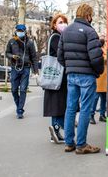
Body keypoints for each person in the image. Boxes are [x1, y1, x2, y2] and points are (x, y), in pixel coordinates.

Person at [57, 4, 104, 154]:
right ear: (88, 16)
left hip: (71, 75)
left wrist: (70, 67)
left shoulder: (66, 31)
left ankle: (69, 142)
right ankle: (81, 144)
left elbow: (60, 56)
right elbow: (96, 58)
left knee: (70, 108)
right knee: (85, 109)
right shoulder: (90, 32)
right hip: (87, 76)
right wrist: (98, 72)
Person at [43, 14, 69, 144]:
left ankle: (56, 130)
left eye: (65, 22)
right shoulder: (56, 37)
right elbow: (62, 54)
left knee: (57, 104)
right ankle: (57, 128)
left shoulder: (58, 36)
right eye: (60, 22)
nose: (63, 24)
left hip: (57, 76)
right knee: (57, 103)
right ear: (54, 25)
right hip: (58, 76)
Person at [5, 24, 38, 119]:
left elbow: (34, 58)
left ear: (25, 31)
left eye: (22, 31)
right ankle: (19, 105)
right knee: (14, 90)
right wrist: (12, 56)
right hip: (15, 68)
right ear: (16, 31)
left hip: (26, 68)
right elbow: (7, 53)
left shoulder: (30, 43)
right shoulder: (11, 41)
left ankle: (20, 110)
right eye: (18, 30)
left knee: (23, 89)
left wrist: (35, 71)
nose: (20, 32)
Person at [90, 36, 107, 124]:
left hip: (105, 78)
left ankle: (102, 115)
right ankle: (91, 115)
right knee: (95, 97)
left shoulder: (105, 48)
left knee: (104, 97)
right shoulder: (97, 50)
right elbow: (103, 59)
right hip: (99, 77)